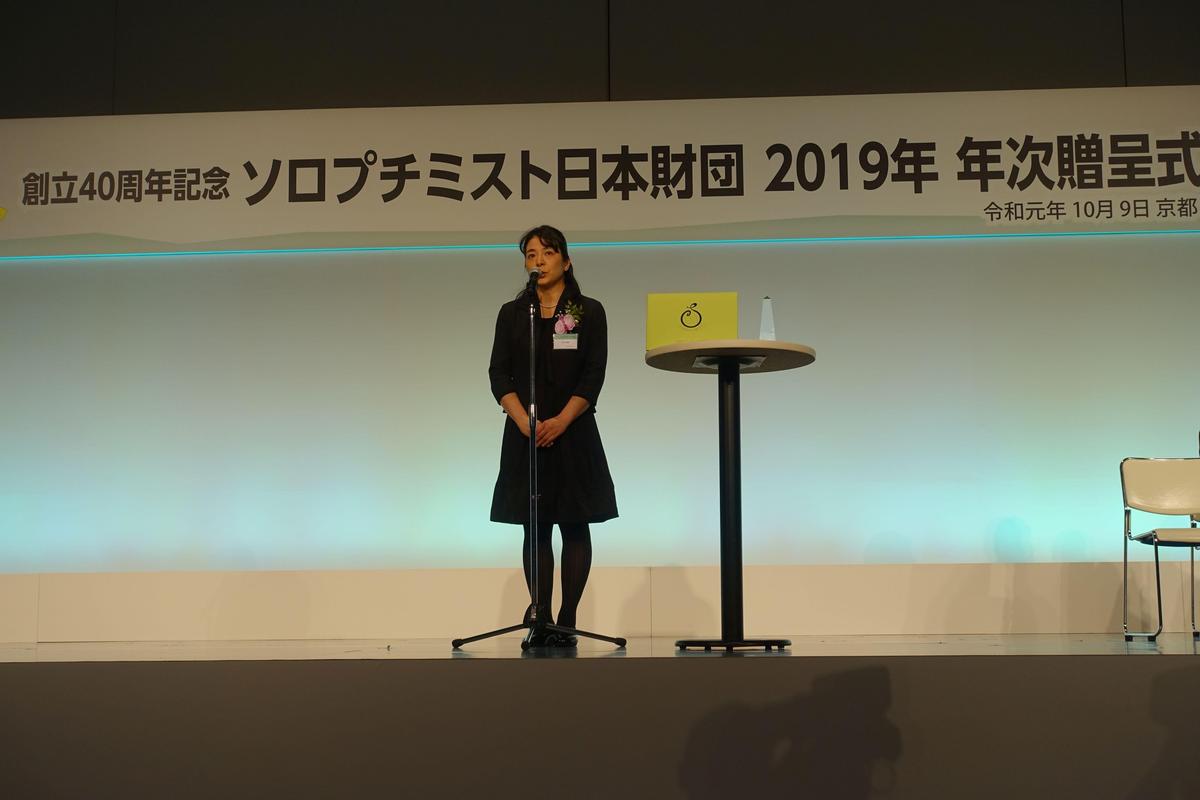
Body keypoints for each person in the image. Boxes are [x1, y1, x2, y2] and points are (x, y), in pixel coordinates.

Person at [488, 225, 618, 647]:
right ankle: (540, 617)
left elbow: (593, 373)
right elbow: (498, 373)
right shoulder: (514, 313)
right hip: (525, 434)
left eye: (547, 253)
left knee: (574, 524)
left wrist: (562, 420)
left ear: (566, 260)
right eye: (530, 255)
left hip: (572, 431)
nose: (538, 261)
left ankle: (567, 619)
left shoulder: (585, 311)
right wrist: (522, 420)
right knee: (536, 526)